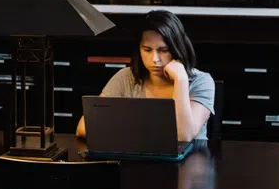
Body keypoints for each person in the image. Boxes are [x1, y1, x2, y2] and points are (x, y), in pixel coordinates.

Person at [76, 10, 215, 141]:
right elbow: (83, 127)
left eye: (163, 50)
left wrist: (181, 81)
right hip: (138, 160)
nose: (154, 59)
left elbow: (184, 136)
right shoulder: (126, 77)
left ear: (176, 49)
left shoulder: (201, 81)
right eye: (147, 50)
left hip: (190, 163)